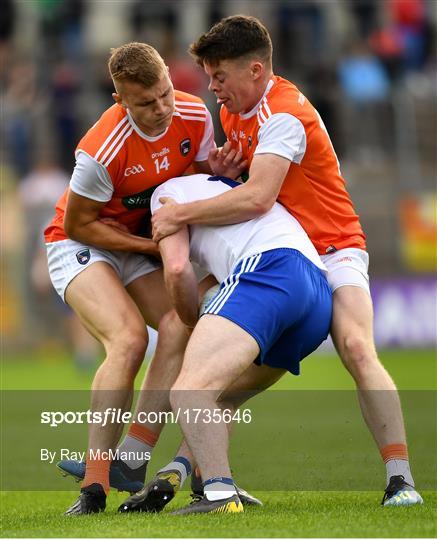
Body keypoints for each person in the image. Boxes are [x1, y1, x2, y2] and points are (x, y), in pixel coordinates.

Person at [150, 15, 423, 507]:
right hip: (282, 250)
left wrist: (178, 215)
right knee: (222, 380)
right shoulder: (236, 109)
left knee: (357, 348)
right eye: (209, 78)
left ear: (255, 71)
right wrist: (221, 171)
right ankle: (187, 469)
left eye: (220, 77)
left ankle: (400, 479)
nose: (213, 89)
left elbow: (257, 198)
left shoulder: (284, 114)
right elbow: (247, 190)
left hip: (332, 247)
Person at [44, 41, 240, 515]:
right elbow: (77, 224)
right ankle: (94, 487)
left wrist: (215, 174)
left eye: (166, 94)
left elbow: (189, 188)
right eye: (147, 103)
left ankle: (132, 457)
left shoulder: (194, 115)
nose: (162, 110)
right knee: (130, 340)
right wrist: (152, 247)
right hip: (80, 244)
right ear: (120, 101)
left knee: (179, 323)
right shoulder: (101, 148)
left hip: (137, 240)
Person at [141, 172, 332, 514]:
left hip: (269, 269)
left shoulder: (165, 194)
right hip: (317, 292)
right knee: (222, 396)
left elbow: (177, 267)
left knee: (189, 390)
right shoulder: (221, 184)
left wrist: (190, 320)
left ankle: (219, 496)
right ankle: (189, 473)